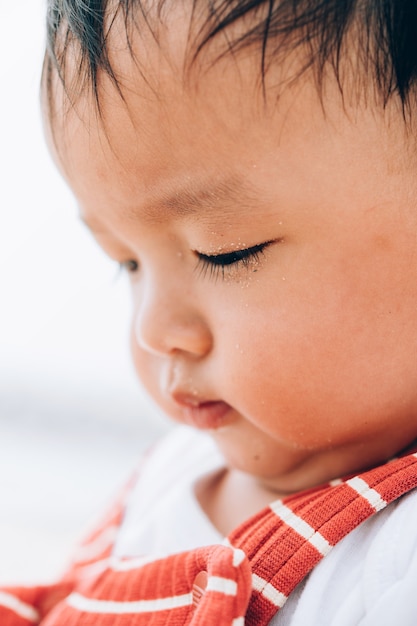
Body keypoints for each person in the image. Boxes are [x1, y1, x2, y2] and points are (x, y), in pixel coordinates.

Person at [2, 0, 417, 623]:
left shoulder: (393, 559)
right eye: (128, 264)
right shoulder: (171, 471)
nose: (153, 330)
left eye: (224, 252)